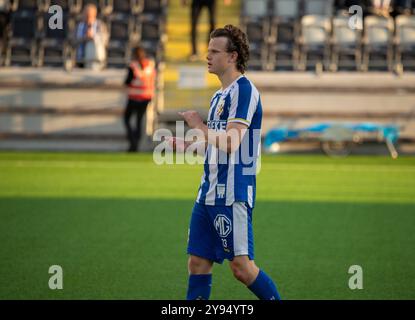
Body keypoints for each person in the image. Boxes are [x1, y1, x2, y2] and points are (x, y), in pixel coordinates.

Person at [169, 25, 281, 300]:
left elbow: (232, 142)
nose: (207, 56)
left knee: (241, 268)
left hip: (232, 194)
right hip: (207, 193)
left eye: (214, 52)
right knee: (197, 263)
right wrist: (188, 145)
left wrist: (198, 125)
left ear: (232, 57)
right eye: (207, 51)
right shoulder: (219, 95)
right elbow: (216, 142)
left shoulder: (244, 91)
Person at [124, 46, 156, 152]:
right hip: (146, 97)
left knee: (127, 119)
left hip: (134, 97)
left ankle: (133, 142)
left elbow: (127, 81)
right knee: (139, 121)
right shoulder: (150, 65)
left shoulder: (133, 66)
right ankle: (136, 143)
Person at [75, 4, 108, 69]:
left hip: (94, 58)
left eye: (89, 15)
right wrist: (84, 38)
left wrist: (93, 37)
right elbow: (72, 40)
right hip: (80, 57)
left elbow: (105, 40)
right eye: (86, 15)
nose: (87, 17)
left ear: (94, 14)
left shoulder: (100, 25)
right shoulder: (79, 26)